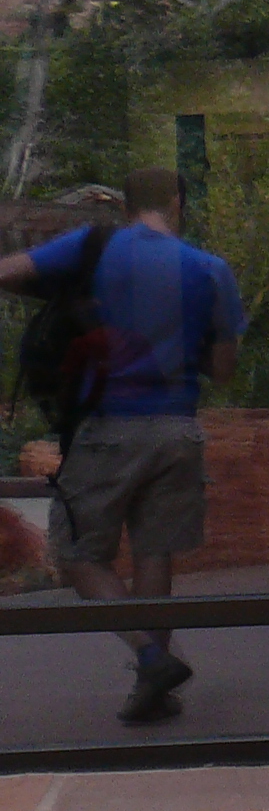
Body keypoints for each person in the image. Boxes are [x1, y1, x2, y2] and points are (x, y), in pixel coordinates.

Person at [0, 166, 245, 722]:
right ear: (178, 202)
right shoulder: (210, 269)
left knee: (76, 553)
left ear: (125, 204)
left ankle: (150, 657)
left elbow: (9, 271)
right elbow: (225, 370)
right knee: (155, 553)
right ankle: (151, 691)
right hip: (178, 430)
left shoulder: (96, 245)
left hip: (109, 427)